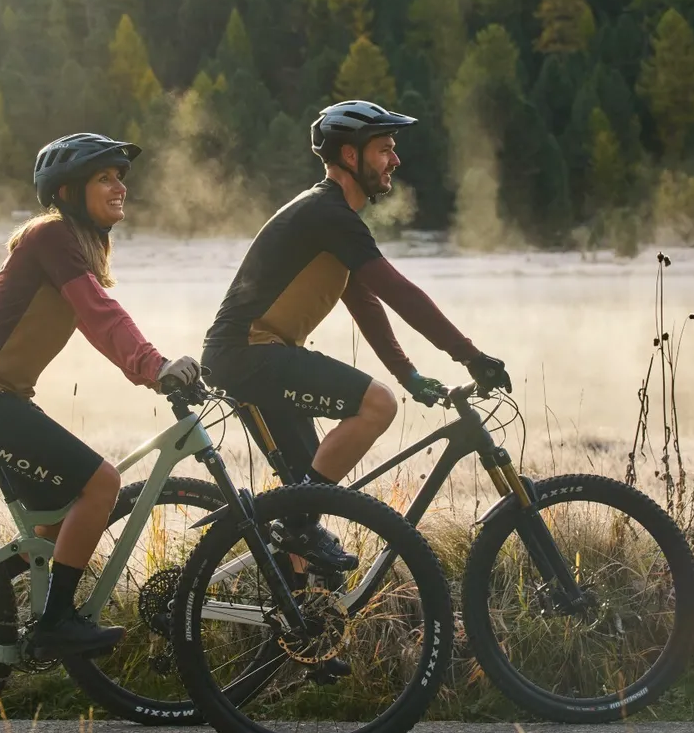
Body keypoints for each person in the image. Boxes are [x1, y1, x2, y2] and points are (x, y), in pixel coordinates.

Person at [202, 100, 512, 570]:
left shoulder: (331, 217)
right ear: (350, 156)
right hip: (247, 354)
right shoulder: (328, 213)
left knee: (304, 499)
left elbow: (366, 301)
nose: (396, 160)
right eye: (385, 149)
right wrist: (469, 355)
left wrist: (409, 374)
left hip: (254, 355)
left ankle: (290, 624)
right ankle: (296, 530)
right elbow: (398, 293)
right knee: (376, 406)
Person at [0, 133, 200, 659]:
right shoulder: (52, 237)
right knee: (101, 484)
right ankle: (55, 625)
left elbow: (98, 317)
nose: (121, 186)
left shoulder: (74, 241)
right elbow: (101, 315)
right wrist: (155, 366)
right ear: (70, 190)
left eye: (121, 176)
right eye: (106, 177)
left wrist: (155, 367)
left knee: (55, 522)